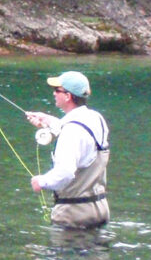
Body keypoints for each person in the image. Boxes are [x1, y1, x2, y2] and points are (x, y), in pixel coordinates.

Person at [25, 71, 110, 229]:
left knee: (67, 254)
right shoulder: (95, 118)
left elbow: (65, 172)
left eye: (57, 90)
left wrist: (41, 181)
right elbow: (80, 133)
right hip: (99, 209)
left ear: (68, 96)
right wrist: (48, 121)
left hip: (74, 215)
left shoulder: (71, 132)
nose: (54, 93)